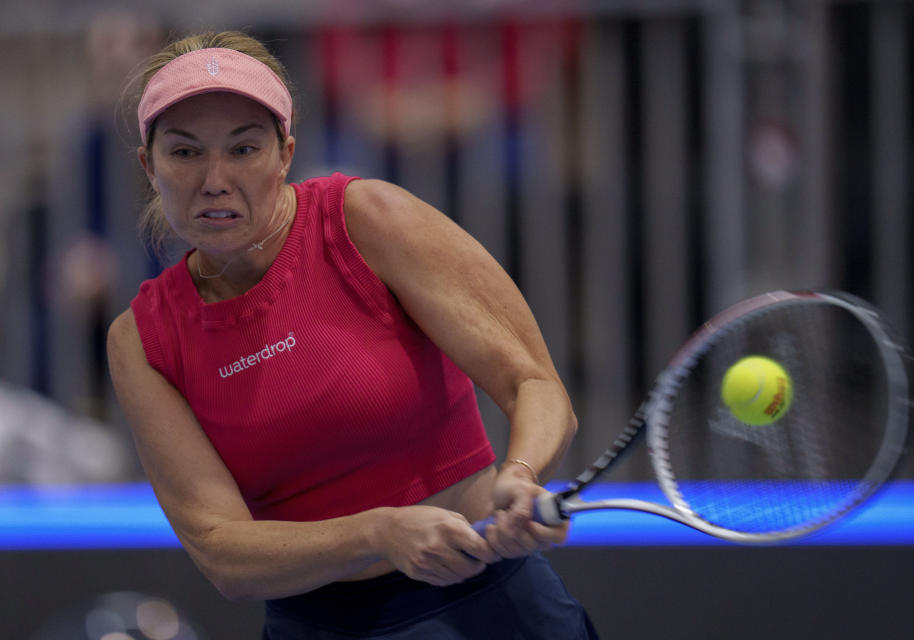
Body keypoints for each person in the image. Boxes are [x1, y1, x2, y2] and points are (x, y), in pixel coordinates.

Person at [107, 30, 597, 639]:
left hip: (493, 606)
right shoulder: (142, 340)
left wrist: (519, 475)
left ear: (285, 153)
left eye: (243, 149)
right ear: (148, 166)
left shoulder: (368, 219)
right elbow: (223, 552)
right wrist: (377, 534)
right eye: (184, 153)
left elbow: (535, 384)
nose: (214, 179)